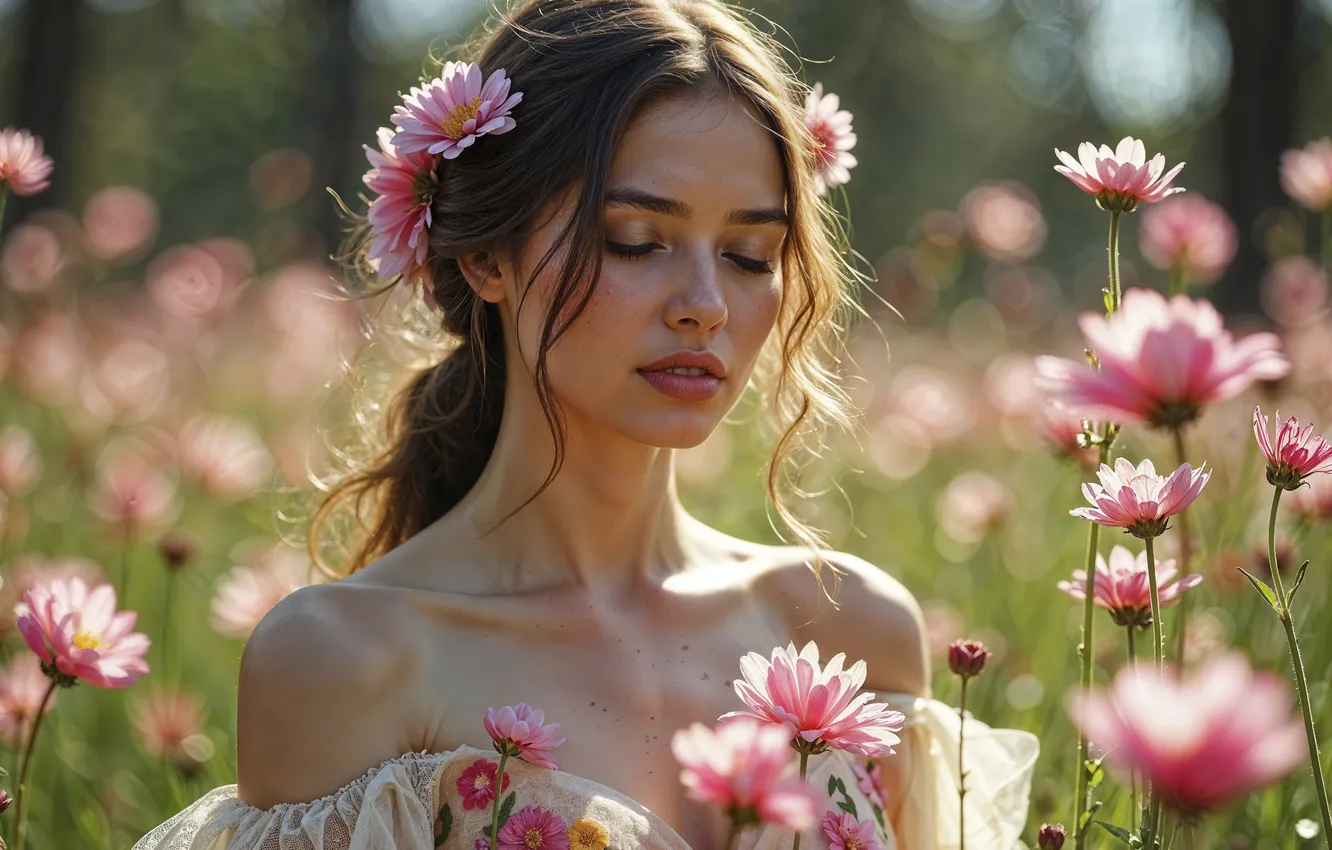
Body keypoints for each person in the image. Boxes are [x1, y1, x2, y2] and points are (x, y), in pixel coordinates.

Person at [134, 0, 1036, 847]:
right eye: (636, 241)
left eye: (750, 255)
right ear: (486, 253)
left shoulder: (850, 633)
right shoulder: (346, 663)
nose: (706, 306)